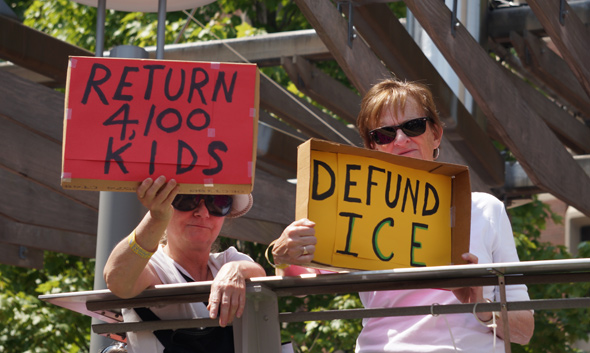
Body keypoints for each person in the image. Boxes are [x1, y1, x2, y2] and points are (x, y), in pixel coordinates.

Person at [270, 78, 534, 352]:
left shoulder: (485, 209)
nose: (400, 139)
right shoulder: (356, 208)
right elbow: (297, 278)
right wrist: (281, 254)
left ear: (436, 134)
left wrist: (481, 307)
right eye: (384, 134)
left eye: (413, 126)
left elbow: (525, 331)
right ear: (373, 148)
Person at [104, 175, 266, 353]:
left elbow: (259, 274)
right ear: (165, 202)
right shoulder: (152, 264)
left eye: (218, 202)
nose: (203, 212)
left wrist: (235, 270)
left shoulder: (228, 261)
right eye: (188, 199)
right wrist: (157, 217)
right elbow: (117, 279)